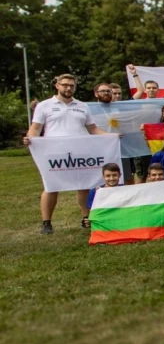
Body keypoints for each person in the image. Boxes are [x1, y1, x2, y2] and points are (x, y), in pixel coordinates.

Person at [24, 74, 120, 234]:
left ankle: (86, 218)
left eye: (71, 85)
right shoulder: (44, 106)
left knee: (84, 185)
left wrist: (111, 136)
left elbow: (92, 129)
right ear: (57, 85)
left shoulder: (82, 106)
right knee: (51, 186)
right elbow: (35, 128)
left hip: (80, 152)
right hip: (54, 153)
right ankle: (46, 223)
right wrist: (31, 139)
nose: (68, 88)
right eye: (65, 85)